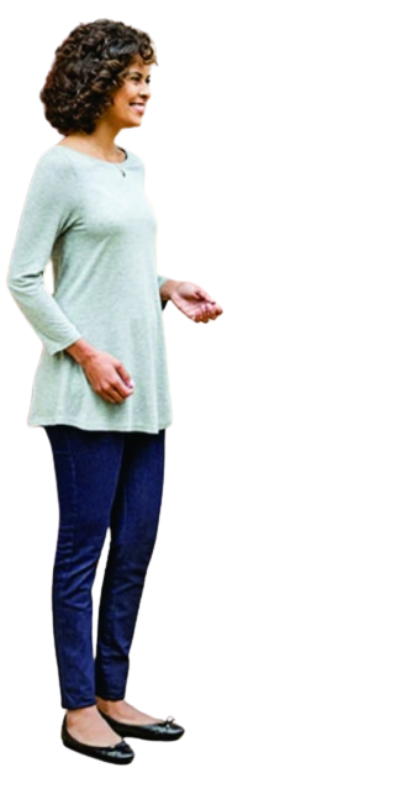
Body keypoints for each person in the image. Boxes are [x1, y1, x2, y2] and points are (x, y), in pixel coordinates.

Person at [5, 18, 224, 767]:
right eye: (134, 77)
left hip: (145, 388)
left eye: (150, 79)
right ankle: (77, 706)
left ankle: (113, 692)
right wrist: (85, 353)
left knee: (135, 545)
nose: (146, 91)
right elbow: (23, 278)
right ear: (97, 81)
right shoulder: (57, 167)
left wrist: (169, 286)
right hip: (85, 391)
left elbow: (117, 263)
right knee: (84, 550)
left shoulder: (134, 167)